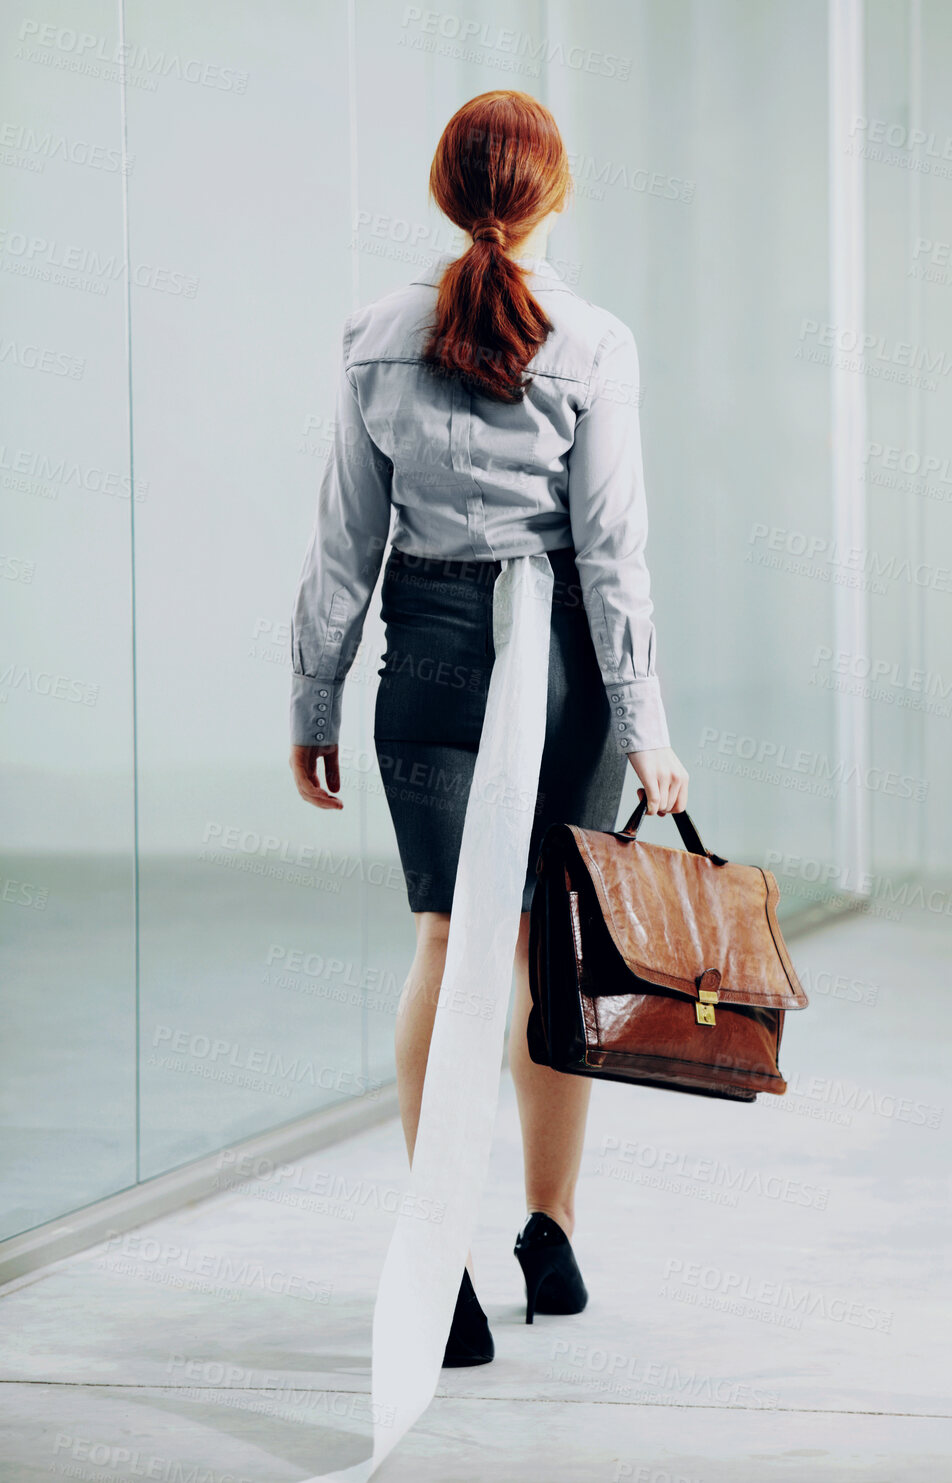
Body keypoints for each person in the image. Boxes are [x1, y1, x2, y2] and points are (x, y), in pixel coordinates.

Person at [286, 89, 688, 1367]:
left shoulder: (372, 333)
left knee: (447, 941)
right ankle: (550, 1231)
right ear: (555, 193)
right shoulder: (598, 340)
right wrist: (646, 728)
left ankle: (439, 1258)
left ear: (443, 190)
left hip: (431, 659)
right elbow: (613, 554)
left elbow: (344, 544)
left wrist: (313, 694)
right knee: (547, 952)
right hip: (558, 663)